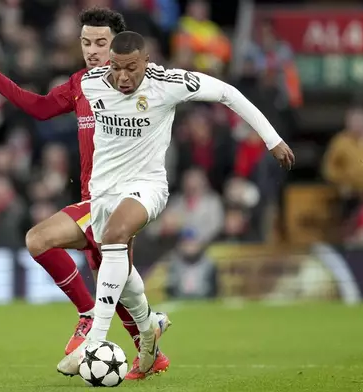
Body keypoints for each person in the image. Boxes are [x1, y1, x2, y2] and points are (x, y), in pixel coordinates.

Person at [57, 30, 294, 376]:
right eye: (117, 68)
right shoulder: (91, 82)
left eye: (131, 68)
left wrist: (272, 140)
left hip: (147, 187)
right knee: (121, 274)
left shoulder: (166, 82)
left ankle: (94, 341)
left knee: (115, 235)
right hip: (103, 192)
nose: (123, 77)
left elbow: (228, 93)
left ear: (146, 62)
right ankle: (149, 326)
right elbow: (50, 102)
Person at [0, 7, 170, 379]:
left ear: (120, 46)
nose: (92, 50)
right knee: (117, 285)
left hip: (120, 199)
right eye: (86, 42)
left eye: (101, 43)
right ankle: (150, 343)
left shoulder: (140, 89)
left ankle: (92, 317)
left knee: (39, 240)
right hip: (94, 198)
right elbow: (42, 108)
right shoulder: (81, 83)